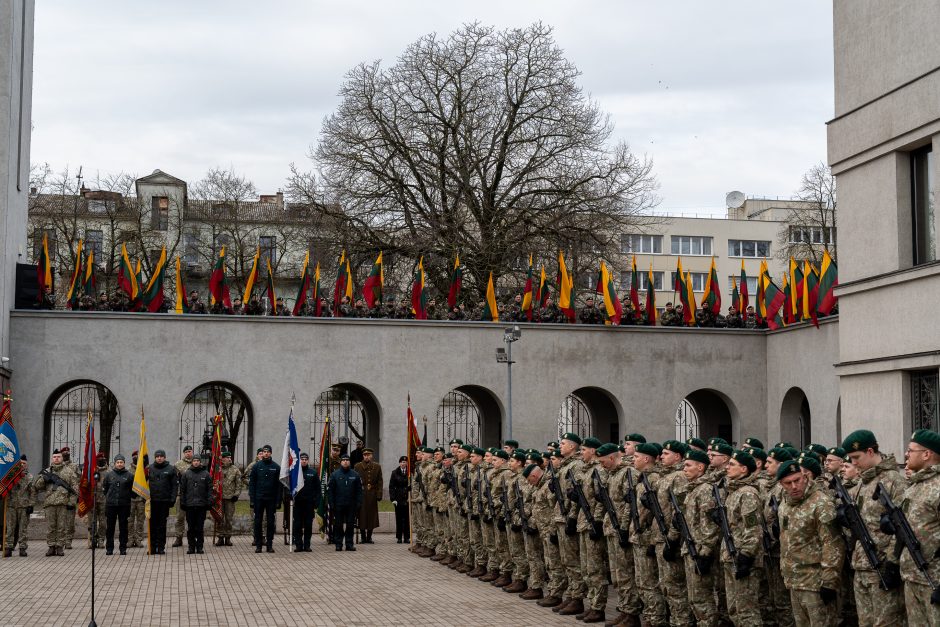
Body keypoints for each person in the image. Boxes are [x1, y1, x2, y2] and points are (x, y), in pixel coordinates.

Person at [840, 429, 907, 627]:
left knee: (886, 623)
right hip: (861, 565)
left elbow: (901, 526)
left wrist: (892, 563)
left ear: (870, 451)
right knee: (865, 622)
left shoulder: (894, 481)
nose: (853, 463)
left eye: (856, 457)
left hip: (882, 566)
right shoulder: (862, 482)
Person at [776, 459, 844, 626]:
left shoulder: (821, 503)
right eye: (788, 483)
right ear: (781, 484)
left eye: (797, 480)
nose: (794, 486)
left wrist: (829, 581)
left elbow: (832, 543)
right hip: (794, 580)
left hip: (816, 583)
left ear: (805, 477)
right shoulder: (784, 505)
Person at [898, 429, 940, 624]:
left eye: (910, 450)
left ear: (926, 454)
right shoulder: (914, 486)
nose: (906, 454)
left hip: (934, 580)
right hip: (912, 576)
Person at [719, 450, 763, 626]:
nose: (727, 468)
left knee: (747, 612)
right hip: (731, 555)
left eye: (731, 465)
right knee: (734, 609)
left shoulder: (748, 494)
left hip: (743, 558)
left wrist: (747, 555)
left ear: (744, 469)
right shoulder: (734, 491)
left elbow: (753, 528)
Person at [33, 449, 79, 556]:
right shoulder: (48, 471)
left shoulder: (69, 471)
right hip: (49, 503)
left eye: (58, 457)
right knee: (51, 527)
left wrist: (71, 503)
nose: (56, 459)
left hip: (63, 504)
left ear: (62, 458)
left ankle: (59, 547)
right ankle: (51, 547)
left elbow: (75, 489)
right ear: (52, 458)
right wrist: (44, 479)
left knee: (61, 527)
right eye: (54, 457)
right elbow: (37, 486)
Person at [248, 444, 281, 553]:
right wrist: (252, 499)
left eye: (268, 452)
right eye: (264, 451)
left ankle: (269, 545)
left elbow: (279, 486)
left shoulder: (276, 467)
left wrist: (278, 501)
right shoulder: (257, 466)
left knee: (270, 522)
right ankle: (258, 545)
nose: (266, 453)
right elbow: (252, 484)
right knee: (258, 522)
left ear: (271, 453)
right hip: (259, 499)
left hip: (271, 499)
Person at [179, 453, 214, 554]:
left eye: (198, 461)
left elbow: (209, 490)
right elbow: (182, 490)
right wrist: (183, 502)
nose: (196, 462)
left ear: (200, 462)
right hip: (190, 505)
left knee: (199, 527)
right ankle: (191, 547)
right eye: (194, 461)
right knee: (191, 528)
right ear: (192, 462)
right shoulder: (186, 474)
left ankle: (199, 547)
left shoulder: (206, 474)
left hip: (201, 505)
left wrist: (209, 502)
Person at [329, 453, 363, 551]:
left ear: (349, 462)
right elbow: (330, 491)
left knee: (350, 525)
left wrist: (359, 502)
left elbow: (359, 491)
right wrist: (331, 503)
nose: (345, 462)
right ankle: (338, 544)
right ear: (341, 462)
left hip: (351, 505)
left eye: (347, 460)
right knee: (338, 525)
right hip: (338, 505)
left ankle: (349, 544)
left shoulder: (355, 475)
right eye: (343, 460)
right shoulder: (335, 475)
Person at [101, 453, 133, 555]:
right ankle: (109, 548)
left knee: (123, 527)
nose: (119, 464)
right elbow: (105, 489)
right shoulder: (109, 475)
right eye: (117, 462)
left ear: (124, 463)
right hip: (111, 505)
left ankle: (123, 548)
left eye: (121, 462)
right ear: (114, 463)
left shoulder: (129, 475)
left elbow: (132, 491)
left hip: (124, 505)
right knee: (110, 527)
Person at [148, 449, 178, 555]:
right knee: (152, 525)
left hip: (164, 501)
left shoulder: (171, 469)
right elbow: (143, 483)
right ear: (155, 458)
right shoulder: (149, 468)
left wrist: (173, 498)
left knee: (161, 525)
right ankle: (152, 547)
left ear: (164, 457)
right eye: (157, 456)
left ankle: (161, 547)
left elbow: (175, 485)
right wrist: (144, 498)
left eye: (161, 456)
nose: (159, 458)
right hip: (152, 502)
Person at [3, 455, 33, 557]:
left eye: (24, 463)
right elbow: (5, 488)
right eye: (20, 463)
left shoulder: (29, 477)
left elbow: (32, 493)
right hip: (11, 505)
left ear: (27, 464)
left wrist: (31, 505)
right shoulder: (10, 476)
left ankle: (22, 548)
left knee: (23, 529)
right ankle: (8, 547)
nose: (22, 465)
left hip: (24, 507)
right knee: (10, 528)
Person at [292, 452, 322, 552]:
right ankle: (298, 545)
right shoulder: (295, 472)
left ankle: (307, 545)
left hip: (309, 504)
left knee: (308, 525)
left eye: (305, 459)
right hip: (298, 504)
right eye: (302, 459)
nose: (304, 461)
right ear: (299, 460)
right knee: (297, 525)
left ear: (307, 460)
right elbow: (289, 488)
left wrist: (316, 502)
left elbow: (318, 489)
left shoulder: (313, 473)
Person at [353, 447, 382, 543]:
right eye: (365, 455)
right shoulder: (357, 466)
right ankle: (363, 537)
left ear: (371, 456)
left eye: (368, 455)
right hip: (361, 493)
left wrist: (379, 494)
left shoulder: (377, 466)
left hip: (372, 494)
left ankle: (369, 537)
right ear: (363, 456)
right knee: (361, 515)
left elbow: (379, 481)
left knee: (371, 516)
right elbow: (355, 482)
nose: (366, 457)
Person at [217, 450, 242, 546]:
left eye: (229, 457)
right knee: (219, 518)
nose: (229, 459)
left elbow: (238, 484)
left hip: (230, 498)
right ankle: (220, 537)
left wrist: (236, 495)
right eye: (227, 458)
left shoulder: (235, 469)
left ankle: (227, 537)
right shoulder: (217, 469)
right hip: (219, 498)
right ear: (222, 459)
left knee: (228, 519)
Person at [173, 445, 194, 547]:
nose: (188, 453)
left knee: (192, 518)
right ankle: (178, 538)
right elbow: (174, 480)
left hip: (193, 496)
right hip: (181, 495)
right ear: (183, 453)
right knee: (180, 517)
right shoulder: (178, 464)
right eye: (186, 452)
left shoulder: (197, 463)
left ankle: (192, 538)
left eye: (190, 451)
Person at [59, 446, 79, 549]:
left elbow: (78, 481)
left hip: (71, 497)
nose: (66, 453)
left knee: (70, 522)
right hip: (58, 498)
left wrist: (75, 498)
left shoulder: (74, 466)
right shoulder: (56, 466)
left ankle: (68, 541)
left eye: (68, 452)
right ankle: (60, 541)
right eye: (64, 452)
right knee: (60, 522)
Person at [389, 456, 410, 543]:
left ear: (407, 463)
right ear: (399, 463)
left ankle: (406, 537)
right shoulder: (395, 473)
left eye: (404, 462)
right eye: (401, 462)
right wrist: (393, 499)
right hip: (398, 499)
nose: (403, 464)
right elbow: (391, 487)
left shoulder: (409, 473)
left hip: (407, 498)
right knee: (399, 518)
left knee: (407, 519)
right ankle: (399, 537)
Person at [128, 450, 145, 548]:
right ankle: (130, 539)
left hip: (141, 499)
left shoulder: (144, 469)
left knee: (140, 520)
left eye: (138, 456)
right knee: (130, 520)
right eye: (135, 456)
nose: (136, 458)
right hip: (130, 500)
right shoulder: (128, 470)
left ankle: (138, 539)